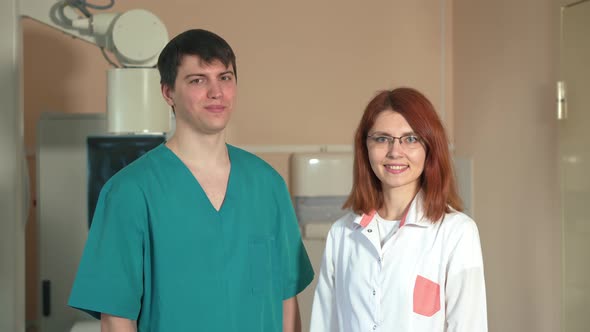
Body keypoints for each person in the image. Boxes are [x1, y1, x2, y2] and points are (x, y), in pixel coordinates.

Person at [68, 29, 314, 332]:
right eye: (198, 80)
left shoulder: (267, 185)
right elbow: (117, 317)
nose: (216, 92)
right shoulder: (130, 192)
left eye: (225, 78)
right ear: (168, 92)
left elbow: (286, 300)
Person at [309, 87, 487, 331]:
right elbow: (325, 325)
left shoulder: (457, 233)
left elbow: (468, 325)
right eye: (382, 138)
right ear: (365, 147)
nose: (395, 151)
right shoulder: (342, 234)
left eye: (411, 139)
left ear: (430, 148)